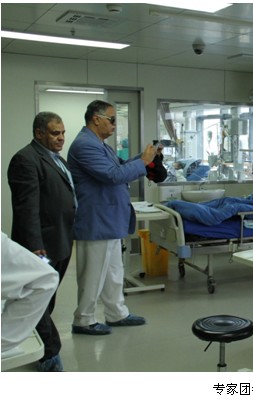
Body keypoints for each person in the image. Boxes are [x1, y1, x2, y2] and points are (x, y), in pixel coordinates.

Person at [67, 100, 157, 335]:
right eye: (112, 119)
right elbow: (112, 175)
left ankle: (117, 313)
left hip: (109, 218)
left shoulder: (100, 145)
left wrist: (144, 157)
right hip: (96, 220)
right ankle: (83, 320)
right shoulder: (85, 145)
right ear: (96, 119)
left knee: (113, 271)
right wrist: (143, 162)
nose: (115, 125)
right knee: (92, 274)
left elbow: (120, 166)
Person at [7, 111, 75, 372]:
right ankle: (50, 354)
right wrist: (35, 247)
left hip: (61, 239)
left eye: (63, 133)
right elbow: (27, 208)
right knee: (38, 300)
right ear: (39, 133)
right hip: (42, 245)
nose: (61, 138)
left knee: (48, 297)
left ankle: (38, 340)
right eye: (55, 133)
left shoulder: (56, 159)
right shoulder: (25, 160)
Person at [1, 232, 59, 361]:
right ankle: (49, 356)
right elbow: (45, 280)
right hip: (46, 238)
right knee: (44, 279)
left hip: (58, 239)